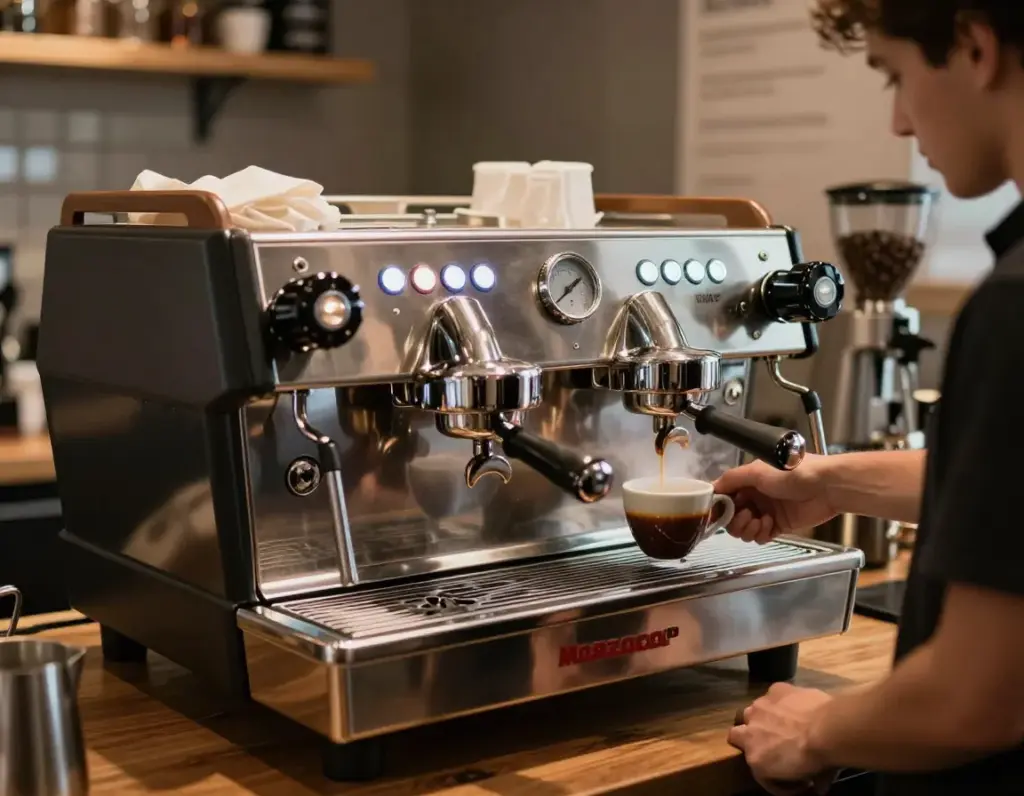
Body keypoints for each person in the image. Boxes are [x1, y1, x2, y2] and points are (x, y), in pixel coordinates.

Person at [716, 2, 1024, 795]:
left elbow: (975, 700)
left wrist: (814, 728)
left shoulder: (1015, 305)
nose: (897, 121)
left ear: (976, 46)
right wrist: (830, 483)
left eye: (895, 75)